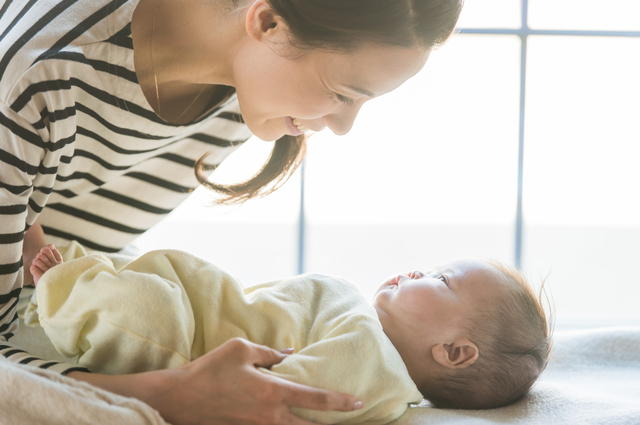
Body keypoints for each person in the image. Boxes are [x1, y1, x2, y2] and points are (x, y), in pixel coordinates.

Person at [0, 0, 464, 422]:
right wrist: (169, 394)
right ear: (266, 22)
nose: (343, 126)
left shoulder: (239, 83)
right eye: (343, 93)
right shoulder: (39, 76)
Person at [26, 239, 553, 424]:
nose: (417, 271)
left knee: (142, 315)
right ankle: (81, 289)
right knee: (151, 288)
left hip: (187, 343)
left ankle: (68, 295)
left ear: (455, 351)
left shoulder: (375, 368)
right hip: (207, 304)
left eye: (440, 279)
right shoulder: (368, 328)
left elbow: (281, 398)